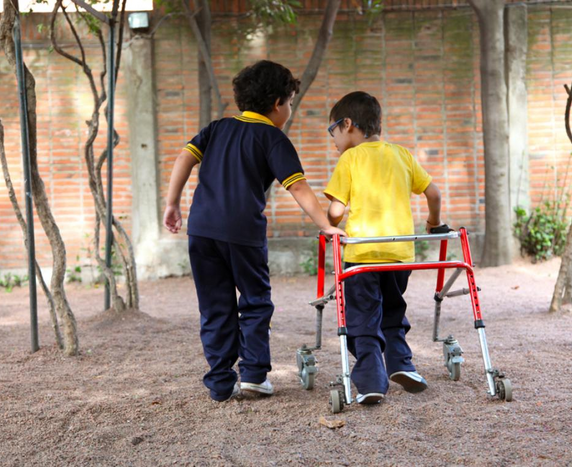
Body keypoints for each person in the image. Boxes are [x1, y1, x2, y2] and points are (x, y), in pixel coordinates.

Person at [163, 60, 346, 402]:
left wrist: (172, 203)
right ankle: (253, 375)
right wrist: (325, 225)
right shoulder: (272, 138)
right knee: (255, 301)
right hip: (243, 233)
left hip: (201, 231)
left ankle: (220, 383)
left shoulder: (216, 128)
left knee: (214, 305)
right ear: (278, 103)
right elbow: (299, 187)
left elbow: (183, 159)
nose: (289, 109)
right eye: (290, 102)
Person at [324, 91, 443, 404]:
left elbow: (336, 211)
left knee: (363, 315)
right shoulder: (401, 154)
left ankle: (371, 380)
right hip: (400, 254)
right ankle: (402, 364)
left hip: (362, 255)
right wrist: (433, 223)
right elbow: (433, 193)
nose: (333, 138)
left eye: (332, 130)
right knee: (392, 308)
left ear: (348, 124)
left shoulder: (349, 159)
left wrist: (331, 224)